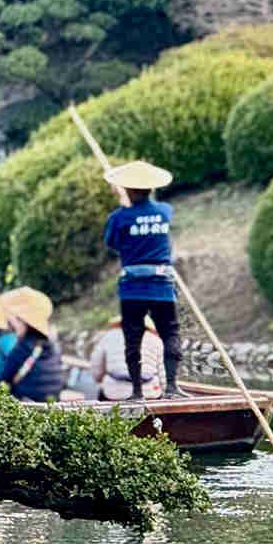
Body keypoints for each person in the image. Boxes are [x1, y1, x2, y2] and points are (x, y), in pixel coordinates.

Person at [102, 159, 183, 401]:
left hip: (132, 289)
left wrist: (125, 213)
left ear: (126, 189)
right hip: (162, 286)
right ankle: (172, 387)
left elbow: (112, 244)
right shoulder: (165, 211)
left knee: (133, 337)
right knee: (170, 332)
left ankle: (137, 392)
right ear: (151, 188)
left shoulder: (119, 217)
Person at [0, 287, 67, 403]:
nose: (14, 324)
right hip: (52, 404)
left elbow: (2, 381)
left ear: (25, 323)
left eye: (18, 320)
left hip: (26, 406)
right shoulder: (52, 346)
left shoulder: (23, 348)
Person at [87, 322, 165, 400]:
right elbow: (163, 374)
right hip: (149, 392)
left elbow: (96, 370)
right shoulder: (156, 340)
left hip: (114, 392)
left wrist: (100, 379)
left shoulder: (109, 336)